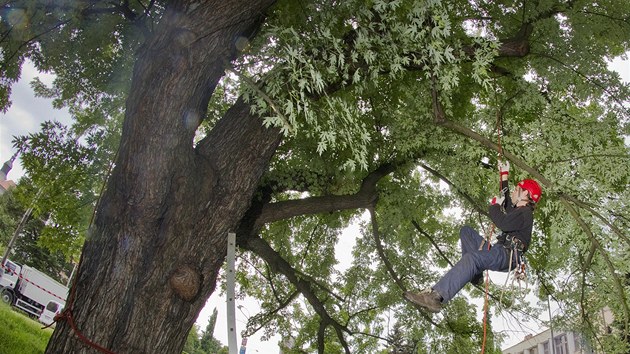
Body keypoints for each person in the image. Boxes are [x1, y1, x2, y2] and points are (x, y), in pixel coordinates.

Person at [404, 161, 542, 313]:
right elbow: (506, 199)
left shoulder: (525, 214)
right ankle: (476, 275)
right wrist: (504, 174)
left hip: (506, 255)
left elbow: (502, 221)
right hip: (498, 250)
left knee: (472, 259)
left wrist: (494, 206)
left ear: (526, 194)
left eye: (517, 190)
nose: (514, 192)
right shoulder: (518, 212)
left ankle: (436, 297)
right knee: (466, 232)